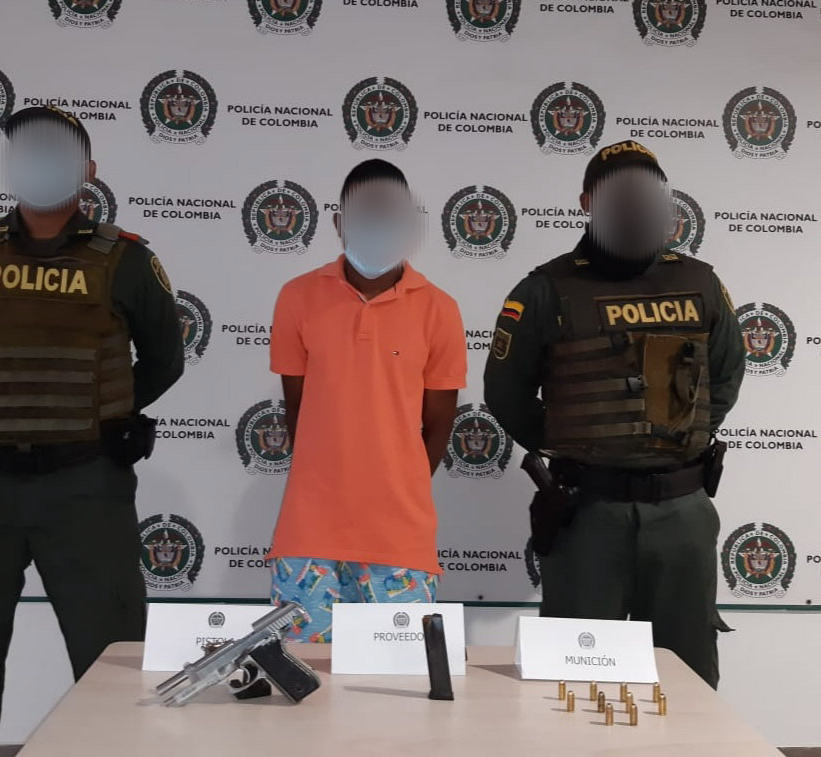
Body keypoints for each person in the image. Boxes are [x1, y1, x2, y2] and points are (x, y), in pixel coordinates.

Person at [0, 105, 184, 756]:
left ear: (87, 170)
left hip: (85, 486)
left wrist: (101, 416)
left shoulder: (125, 260)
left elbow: (164, 359)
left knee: (113, 667)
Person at [483, 140, 745, 689]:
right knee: (574, 681)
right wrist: (577, 443)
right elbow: (506, 394)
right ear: (587, 202)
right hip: (588, 514)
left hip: (682, 514)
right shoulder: (546, 289)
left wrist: (677, 438)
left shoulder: (700, 283)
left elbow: (724, 377)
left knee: (687, 682)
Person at [267, 159, 467, 641]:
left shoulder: (440, 309)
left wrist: (394, 485)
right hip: (308, 534)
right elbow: (297, 412)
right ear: (339, 222)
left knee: (395, 679)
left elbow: (439, 426)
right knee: (303, 677)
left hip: (399, 540)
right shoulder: (297, 297)